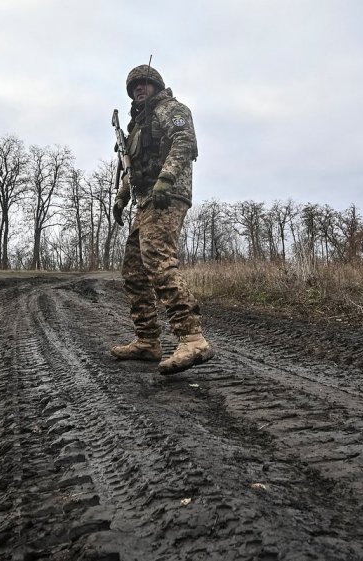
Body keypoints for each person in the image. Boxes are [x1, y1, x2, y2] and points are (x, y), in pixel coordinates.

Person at [111, 64, 214, 375]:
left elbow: (185, 141)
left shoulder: (170, 109)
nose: (139, 90)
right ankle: (147, 340)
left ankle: (192, 337)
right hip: (145, 202)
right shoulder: (136, 126)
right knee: (133, 270)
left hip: (168, 196)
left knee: (158, 260)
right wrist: (121, 197)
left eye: (144, 84)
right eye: (134, 87)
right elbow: (133, 168)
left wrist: (166, 178)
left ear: (156, 85)